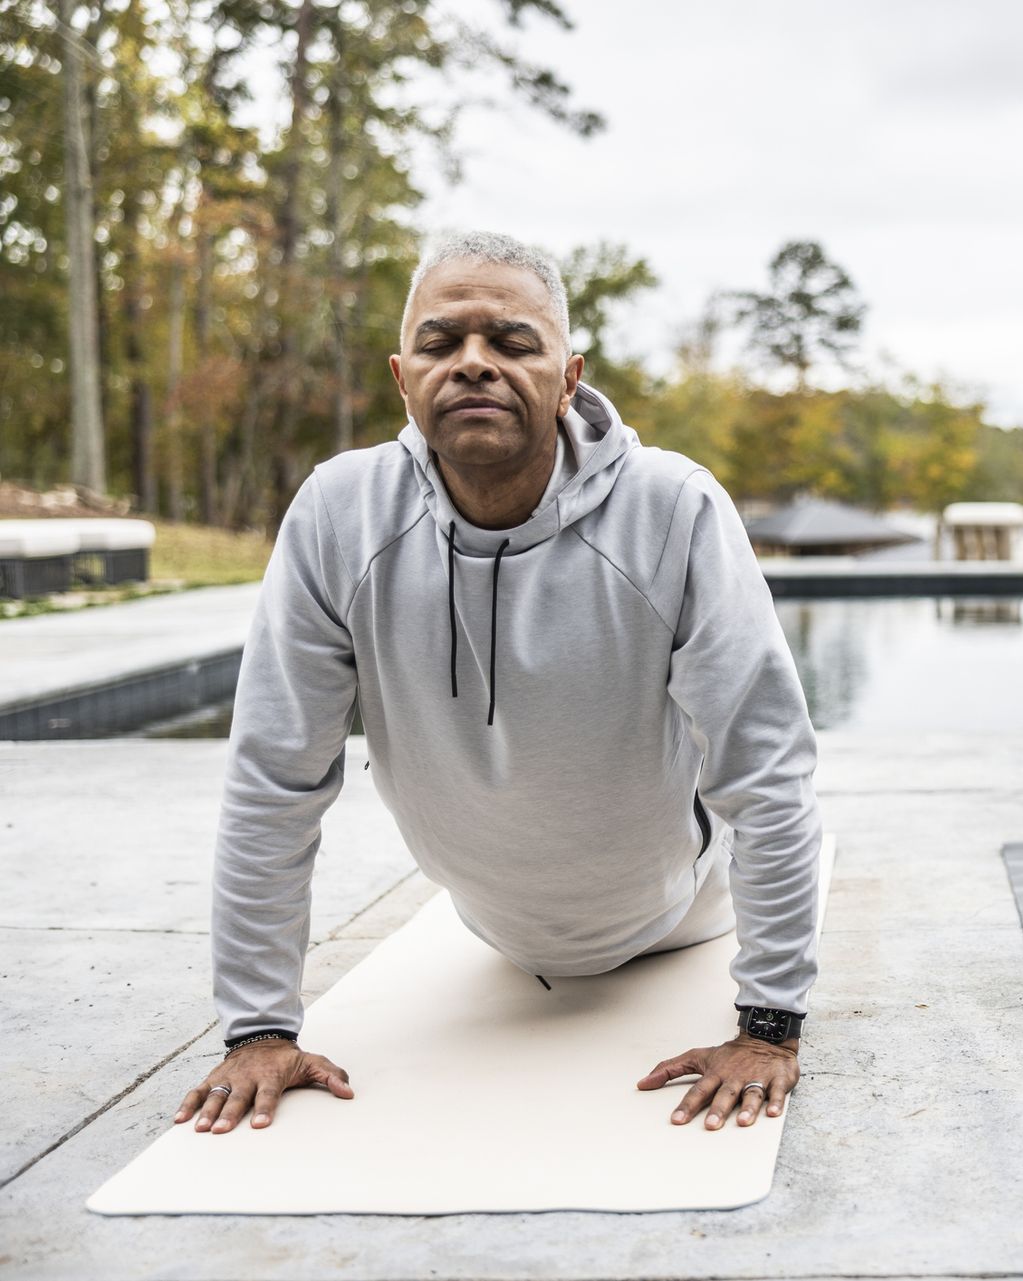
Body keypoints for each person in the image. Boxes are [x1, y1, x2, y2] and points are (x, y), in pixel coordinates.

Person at [175, 231, 824, 1137]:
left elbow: (768, 769)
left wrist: (769, 1024)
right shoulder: (339, 513)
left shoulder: (672, 509)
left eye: (513, 342)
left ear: (569, 376)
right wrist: (259, 1027)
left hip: (680, 911)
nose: (474, 363)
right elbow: (273, 777)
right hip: (490, 923)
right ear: (403, 378)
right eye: (442, 343)